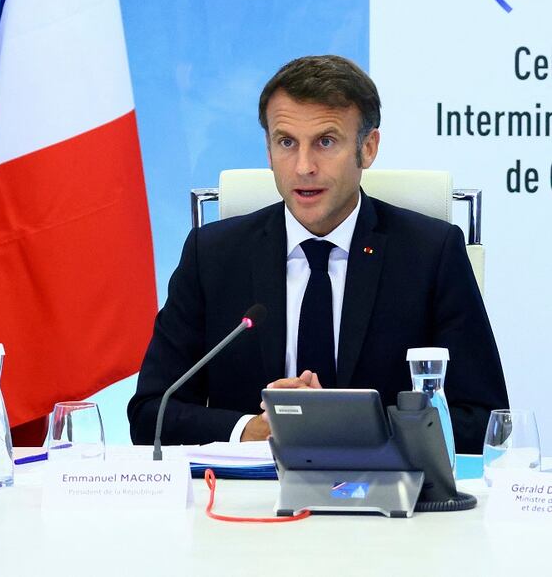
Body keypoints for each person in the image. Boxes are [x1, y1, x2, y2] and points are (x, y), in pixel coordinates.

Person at [128, 55, 508, 453]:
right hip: (244, 502)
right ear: (268, 148)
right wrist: (250, 429)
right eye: (286, 142)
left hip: (385, 504)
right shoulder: (213, 255)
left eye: (325, 142)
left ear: (368, 148)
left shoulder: (431, 253)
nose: (304, 166)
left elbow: (485, 419)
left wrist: (352, 426)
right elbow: (150, 412)